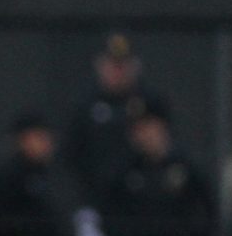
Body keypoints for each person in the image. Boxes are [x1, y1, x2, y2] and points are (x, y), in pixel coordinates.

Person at [96, 100, 214, 236]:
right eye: (137, 129)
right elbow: (109, 215)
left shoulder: (186, 168)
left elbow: (207, 213)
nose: (144, 135)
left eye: (148, 127)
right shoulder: (124, 172)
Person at [65, 33, 165, 200]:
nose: (118, 72)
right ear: (101, 66)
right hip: (98, 196)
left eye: (123, 65)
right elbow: (71, 157)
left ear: (135, 66)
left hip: (142, 197)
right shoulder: (85, 104)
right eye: (113, 65)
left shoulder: (151, 103)